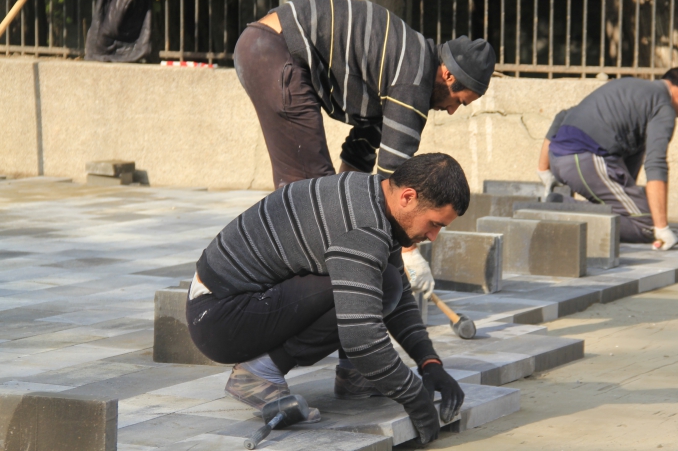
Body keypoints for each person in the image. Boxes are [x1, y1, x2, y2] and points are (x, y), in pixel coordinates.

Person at [186, 153, 469, 445]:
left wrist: (430, 364)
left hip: (233, 304)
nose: (434, 236)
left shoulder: (375, 196)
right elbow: (361, 338)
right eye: (435, 224)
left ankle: (356, 380)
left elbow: (400, 298)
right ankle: (257, 375)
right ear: (408, 197)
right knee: (372, 287)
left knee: (384, 282)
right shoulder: (363, 227)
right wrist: (415, 398)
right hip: (219, 318)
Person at [233, 0, 496, 300]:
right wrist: (408, 254)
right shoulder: (413, 80)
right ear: (448, 75)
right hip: (274, 50)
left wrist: (348, 216)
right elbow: (395, 185)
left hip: (267, 46)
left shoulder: (404, 66)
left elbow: (359, 157)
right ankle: (287, 303)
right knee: (309, 197)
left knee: (323, 200)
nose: (452, 111)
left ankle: (314, 297)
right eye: (459, 101)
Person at [537, 67, 678, 249]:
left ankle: (559, 206)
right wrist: (661, 227)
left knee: (639, 195)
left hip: (560, 157)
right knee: (647, 225)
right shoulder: (664, 106)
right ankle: (558, 209)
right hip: (585, 158)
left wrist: (544, 168)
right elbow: (656, 163)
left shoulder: (628, 86)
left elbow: (562, 116)